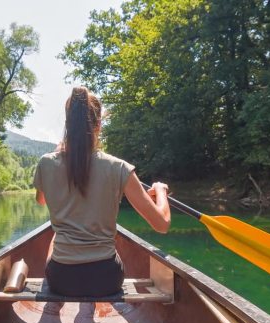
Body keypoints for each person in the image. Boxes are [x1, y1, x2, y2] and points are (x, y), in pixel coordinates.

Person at [33, 86, 170, 297]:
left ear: (68, 125)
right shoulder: (119, 168)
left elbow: (41, 200)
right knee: (112, 241)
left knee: (54, 236)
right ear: (99, 125)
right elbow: (162, 225)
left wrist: (56, 159)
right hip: (106, 279)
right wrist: (160, 191)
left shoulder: (46, 163)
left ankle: (52, 314)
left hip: (61, 279)